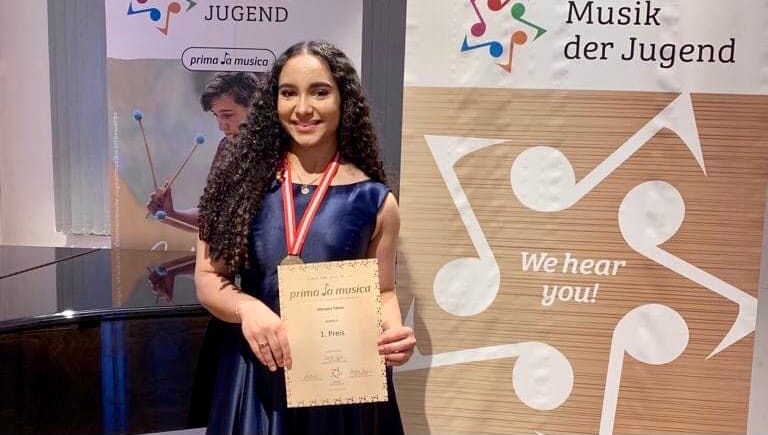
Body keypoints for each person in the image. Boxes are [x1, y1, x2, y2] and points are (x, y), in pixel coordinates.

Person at [194, 40, 416, 434]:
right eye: (288, 93)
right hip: (257, 376)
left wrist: (393, 334)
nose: (302, 108)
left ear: (344, 101)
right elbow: (209, 277)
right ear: (272, 102)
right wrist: (247, 308)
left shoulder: (375, 200)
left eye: (320, 92)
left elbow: (382, 291)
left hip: (341, 383)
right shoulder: (236, 185)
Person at [146, 72, 260, 230]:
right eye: (216, 116)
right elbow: (212, 216)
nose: (221, 126)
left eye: (227, 115)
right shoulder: (226, 147)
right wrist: (171, 214)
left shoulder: (284, 150)